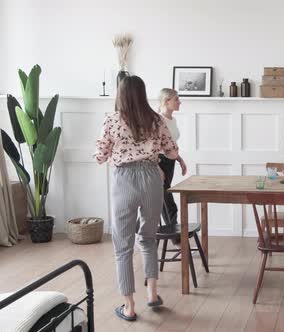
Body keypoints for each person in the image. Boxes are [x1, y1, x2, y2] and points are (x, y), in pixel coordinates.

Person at [94, 76, 179, 321]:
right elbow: (172, 152)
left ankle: (129, 307)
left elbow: (100, 156)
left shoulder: (111, 120)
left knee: (123, 246)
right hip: (152, 177)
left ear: (121, 94)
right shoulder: (155, 119)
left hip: (124, 180)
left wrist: (112, 154)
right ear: (143, 94)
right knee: (149, 238)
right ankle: (152, 294)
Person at [157, 88, 187, 234]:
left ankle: (175, 239)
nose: (179, 102)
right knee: (167, 204)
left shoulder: (172, 120)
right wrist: (157, 168)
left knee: (162, 202)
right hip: (160, 163)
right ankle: (177, 239)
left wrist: (179, 159)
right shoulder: (158, 120)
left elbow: (171, 144)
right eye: (176, 99)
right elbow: (152, 146)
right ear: (166, 101)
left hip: (170, 162)